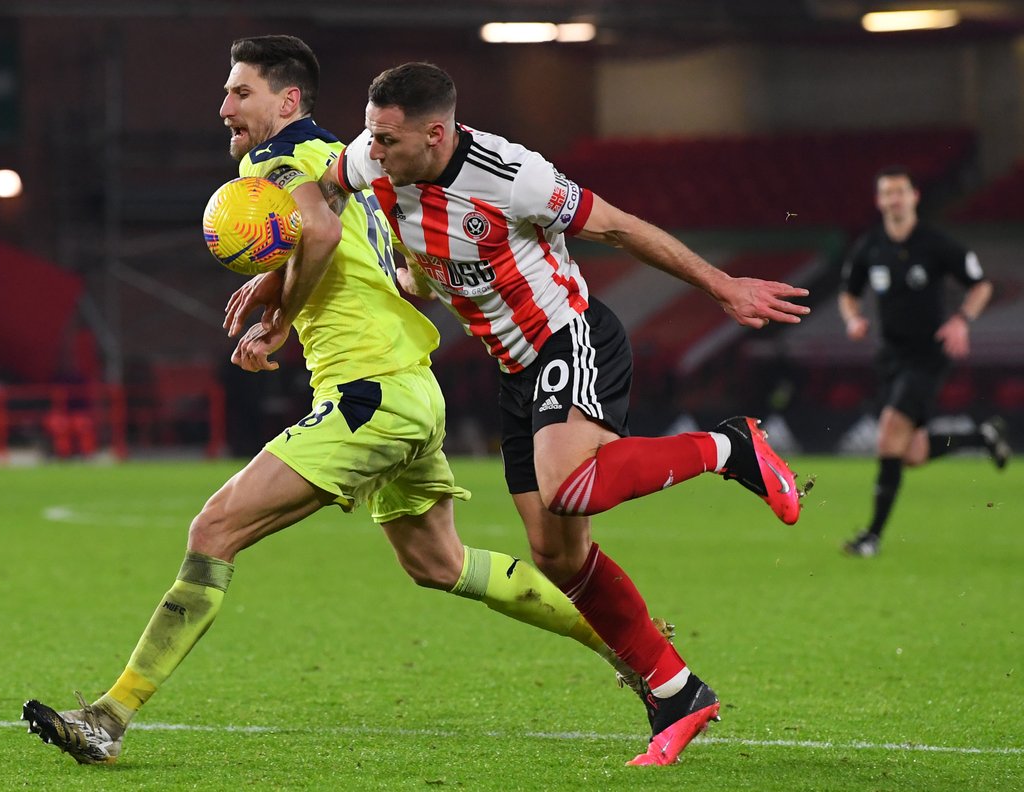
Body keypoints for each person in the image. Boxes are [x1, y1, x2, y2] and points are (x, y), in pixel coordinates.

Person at [21, 35, 672, 766]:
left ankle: (109, 717)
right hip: (408, 387)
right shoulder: (350, 156)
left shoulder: (277, 164)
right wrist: (280, 285)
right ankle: (634, 654)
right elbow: (352, 242)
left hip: (371, 393)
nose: (225, 106)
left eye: (241, 92)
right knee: (439, 562)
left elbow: (322, 232)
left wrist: (275, 321)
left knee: (214, 530)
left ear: (287, 100)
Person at [304, 62, 812, 766]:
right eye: (370, 136)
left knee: (570, 485)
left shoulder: (514, 175)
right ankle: (677, 691)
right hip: (514, 369)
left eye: (388, 140)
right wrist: (282, 286)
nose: (373, 151)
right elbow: (318, 188)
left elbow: (620, 228)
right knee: (557, 555)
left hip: (569, 336)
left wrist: (721, 286)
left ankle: (731, 447)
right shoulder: (371, 156)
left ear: (436, 133)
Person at [838, 166, 1009, 558]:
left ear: (914, 196)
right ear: (879, 201)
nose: (893, 200)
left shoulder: (934, 243)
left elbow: (981, 284)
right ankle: (980, 437)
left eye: (900, 192)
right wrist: (853, 319)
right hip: (890, 357)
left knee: (888, 433)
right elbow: (849, 293)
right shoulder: (870, 246)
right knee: (909, 452)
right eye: (886, 193)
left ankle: (872, 537)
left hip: (928, 355)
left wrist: (962, 320)